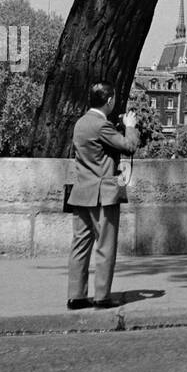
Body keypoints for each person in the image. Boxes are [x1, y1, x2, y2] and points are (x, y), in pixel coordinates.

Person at [67, 82, 139, 309]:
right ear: (109, 101)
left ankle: (76, 295)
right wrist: (129, 126)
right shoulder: (101, 125)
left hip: (81, 192)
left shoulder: (81, 123)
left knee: (80, 245)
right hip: (102, 193)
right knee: (105, 246)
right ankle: (101, 296)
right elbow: (129, 146)